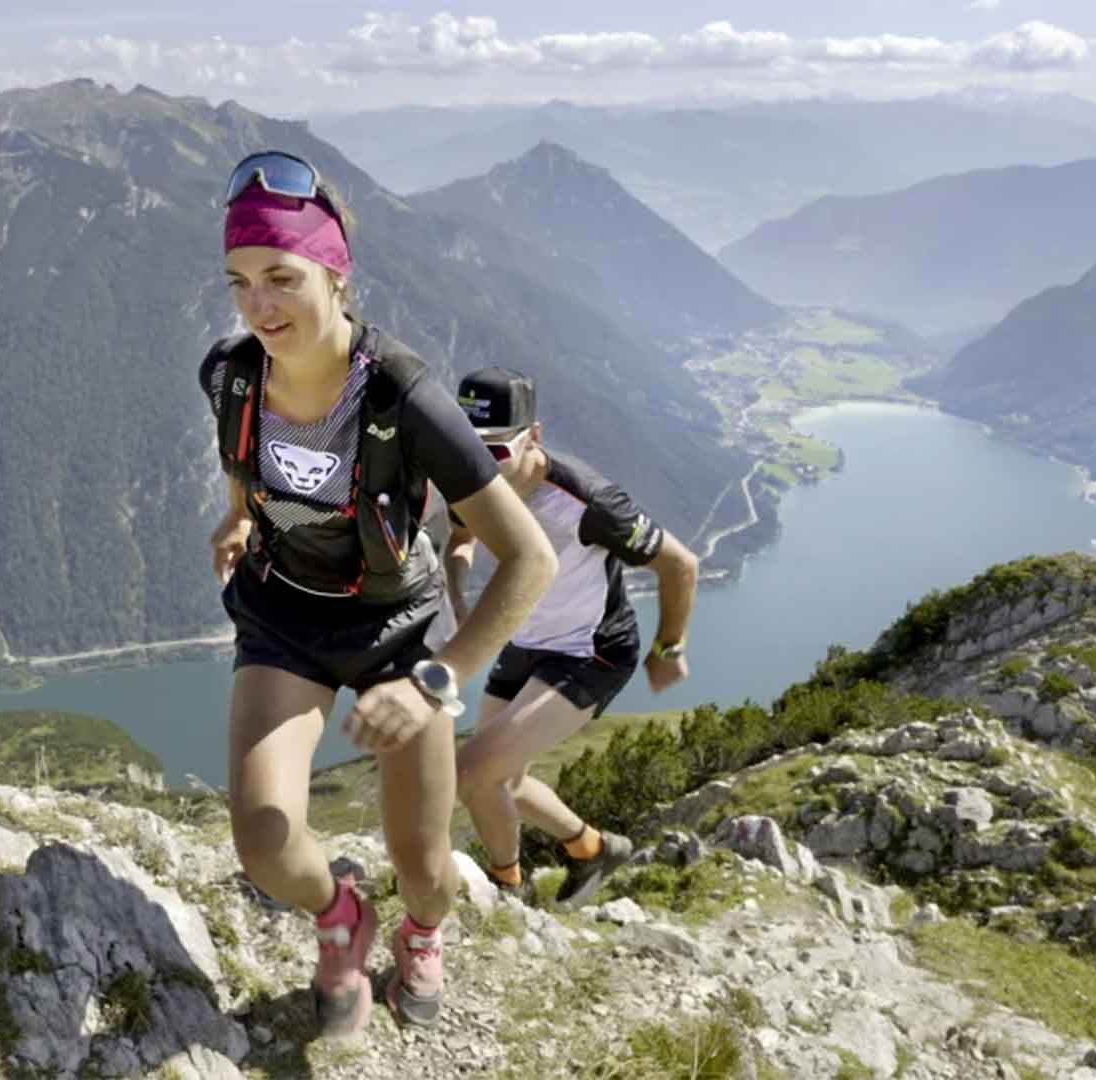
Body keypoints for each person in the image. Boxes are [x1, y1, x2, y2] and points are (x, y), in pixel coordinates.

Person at [200, 152, 557, 1036]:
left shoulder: (406, 398)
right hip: (283, 614)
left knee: (427, 863)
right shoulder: (233, 374)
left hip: (399, 632)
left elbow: (530, 558)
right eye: (241, 282)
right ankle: (341, 918)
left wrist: (439, 678)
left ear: (335, 271)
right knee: (266, 842)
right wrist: (238, 518)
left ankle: (422, 933)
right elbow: (246, 460)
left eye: (282, 278)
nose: (259, 305)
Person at [443, 367, 700, 909]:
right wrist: (461, 596)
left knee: (472, 773)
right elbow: (460, 540)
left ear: (533, 436)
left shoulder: (588, 501)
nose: (479, 464)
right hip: (524, 636)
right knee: (496, 779)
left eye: (497, 451)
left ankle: (507, 890)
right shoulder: (470, 478)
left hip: (591, 653)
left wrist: (668, 647)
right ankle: (589, 849)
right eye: (467, 447)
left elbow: (681, 565)